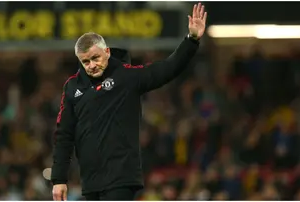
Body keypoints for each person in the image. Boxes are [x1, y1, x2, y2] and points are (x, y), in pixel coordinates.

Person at [51, 3, 207, 201]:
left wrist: (191, 39)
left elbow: (167, 68)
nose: (91, 65)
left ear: (107, 51)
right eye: (86, 62)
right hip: (90, 180)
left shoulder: (127, 77)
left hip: (121, 178)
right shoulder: (72, 87)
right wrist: (58, 178)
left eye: (95, 58)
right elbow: (64, 134)